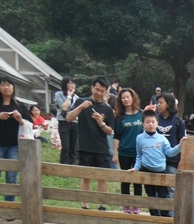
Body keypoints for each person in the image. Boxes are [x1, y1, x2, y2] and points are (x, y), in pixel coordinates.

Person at [66, 76, 115, 210]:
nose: (99, 93)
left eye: (102, 91)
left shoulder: (107, 109)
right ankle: (85, 204)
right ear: (92, 88)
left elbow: (110, 131)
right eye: (97, 89)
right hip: (84, 146)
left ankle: (102, 204)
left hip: (102, 148)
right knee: (85, 176)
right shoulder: (81, 102)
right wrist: (80, 107)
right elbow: (69, 118)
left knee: (102, 177)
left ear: (105, 92)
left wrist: (101, 123)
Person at [128, 108, 185, 216]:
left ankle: (165, 217)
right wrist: (135, 168)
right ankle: (154, 217)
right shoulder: (139, 138)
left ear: (157, 123)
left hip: (160, 171)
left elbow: (170, 153)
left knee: (163, 195)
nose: (150, 124)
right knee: (151, 196)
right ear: (143, 124)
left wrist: (179, 146)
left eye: (153, 122)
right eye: (147, 122)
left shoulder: (162, 139)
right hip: (146, 171)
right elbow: (139, 155)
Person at [0, 75, 29, 201]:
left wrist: (19, 119)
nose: (6, 88)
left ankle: (10, 207)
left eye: (9, 85)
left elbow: (30, 125)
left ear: (13, 87)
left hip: (14, 145)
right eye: (3, 85)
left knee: (11, 177)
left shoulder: (20, 105)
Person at [113, 88, 143, 214]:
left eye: (128, 97)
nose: (126, 99)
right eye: (123, 97)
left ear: (133, 98)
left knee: (137, 180)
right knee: (125, 179)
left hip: (139, 153)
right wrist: (114, 153)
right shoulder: (119, 117)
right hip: (124, 152)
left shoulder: (141, 114)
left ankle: (137, 206)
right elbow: (117, 136)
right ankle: (126, 205)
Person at [156, 92, 186, 217]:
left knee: (171, 188)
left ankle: (170, 216)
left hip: (172, 160)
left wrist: (181, 161)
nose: (158, 105)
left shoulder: (178, 122)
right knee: (157, 187)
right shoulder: (155, 119)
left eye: (161, 102)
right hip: (156, 160)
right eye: (158, 103)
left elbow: (183, 143)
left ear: (168, 104)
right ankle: (157, 215)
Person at [54, 77, 79, 165]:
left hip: (75, 122)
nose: (72, 85)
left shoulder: (77, 98)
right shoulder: (59, 94)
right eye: (70, 83)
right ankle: (64, 165)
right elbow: (63, 107)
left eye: (73, 83)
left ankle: (71, 165)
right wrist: (69, 96)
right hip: (63, 122)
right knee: (66, 146)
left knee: (73, 146)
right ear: (65, 84)